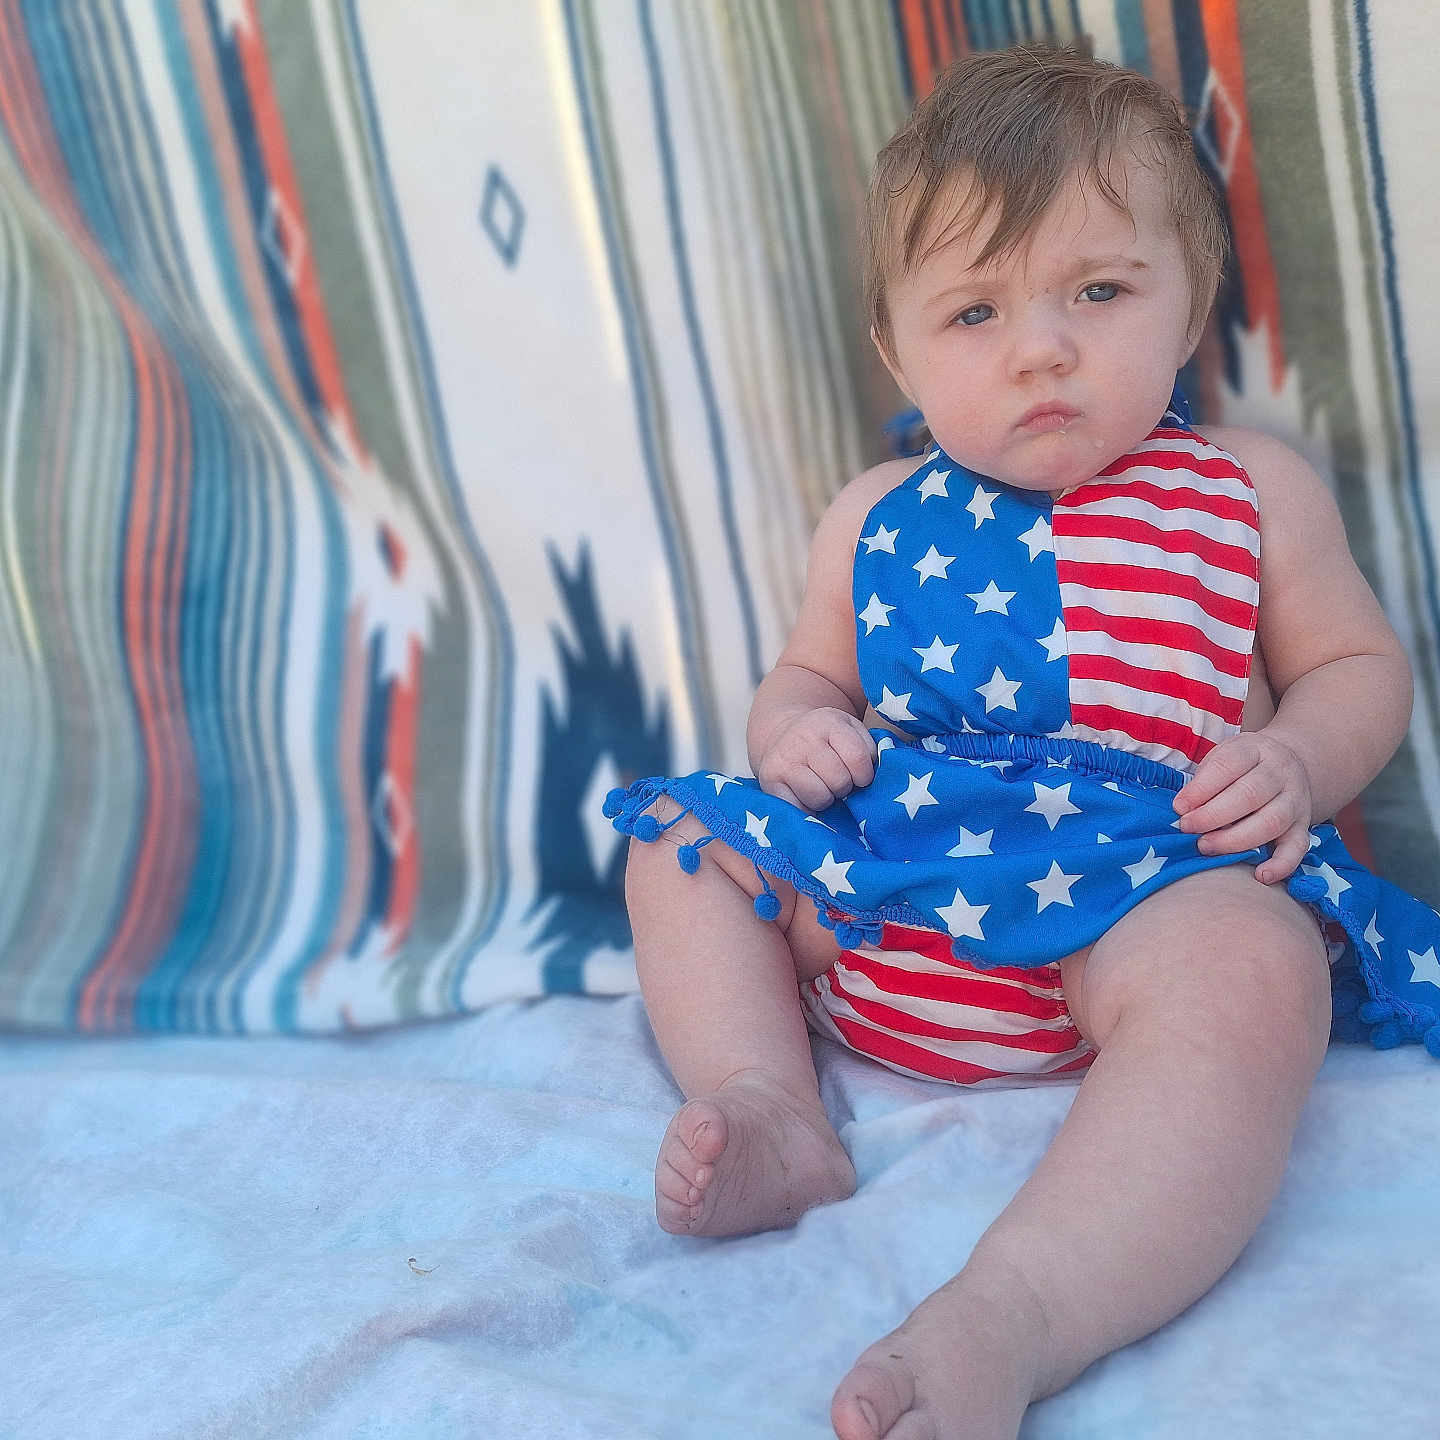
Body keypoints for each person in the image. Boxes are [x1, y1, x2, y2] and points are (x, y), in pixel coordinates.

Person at [606, 42, 1439, 1440]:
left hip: (1133, 895)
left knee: (1257, 966)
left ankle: (1019, 1309)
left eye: (1099, 292)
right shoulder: (873, 512)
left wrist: (1300, 756)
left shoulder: (1246, 491)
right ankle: (771, 1103)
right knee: (682, 840)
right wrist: (798, 726)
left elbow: (1360, 668)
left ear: (1188, 307)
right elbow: (805, 674)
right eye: (976, 310)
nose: (1040, 347)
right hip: (889, 889)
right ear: (899, 351)